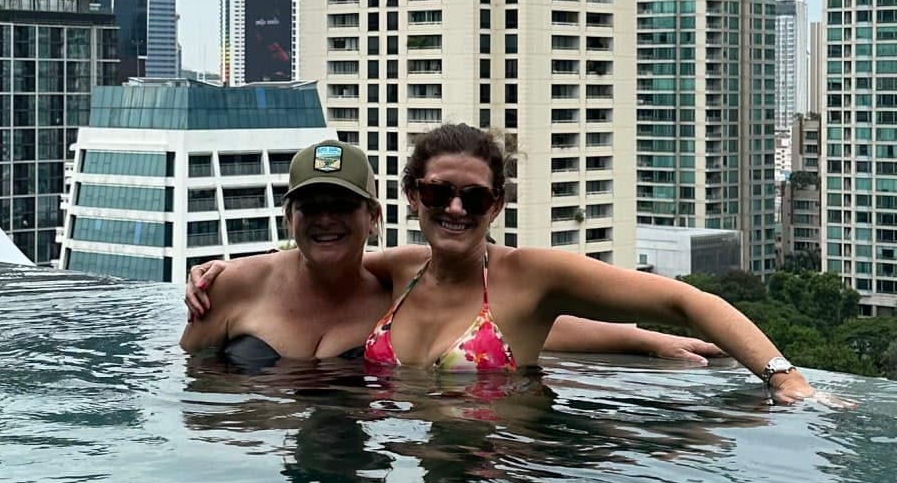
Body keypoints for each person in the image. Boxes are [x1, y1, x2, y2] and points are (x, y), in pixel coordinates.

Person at [186, 125, 815, 402]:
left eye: (474, 196)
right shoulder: (396, 274)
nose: (454, 208)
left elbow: (682, 300)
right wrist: (218, 271)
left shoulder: (508, 274)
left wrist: (785, 378)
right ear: (412, 199)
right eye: (437, 194)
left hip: (512, 460)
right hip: (406, 465)